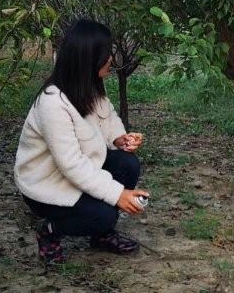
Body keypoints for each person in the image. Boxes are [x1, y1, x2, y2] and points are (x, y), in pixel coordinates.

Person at [13, 18, 150, 265]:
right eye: (107, 53)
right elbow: (71, 165)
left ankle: (101, 236)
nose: (111, 59)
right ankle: (50, 231)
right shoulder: (53, 103)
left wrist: (118, 138)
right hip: (47, 185)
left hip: (79, 169)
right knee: (104, 214)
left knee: (127, 164)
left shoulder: (90, 86)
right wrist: (118, 194)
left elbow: (108, 118)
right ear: (89, 57)